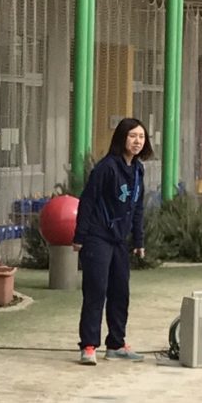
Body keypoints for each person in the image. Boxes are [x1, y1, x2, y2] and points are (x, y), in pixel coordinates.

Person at [73, 117, 151, 365]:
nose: (137, 141)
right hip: (97, 237)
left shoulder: (138, 170)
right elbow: (88, 201)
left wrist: (138, 240)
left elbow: (137, 207)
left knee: (120, 292)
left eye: (141, 137)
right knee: (96, 291)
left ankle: (116, 344)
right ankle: (88, 346)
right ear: (121, 138)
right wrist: (79, 237)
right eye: (132, 136)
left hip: (119, 240)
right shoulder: (107, 167)